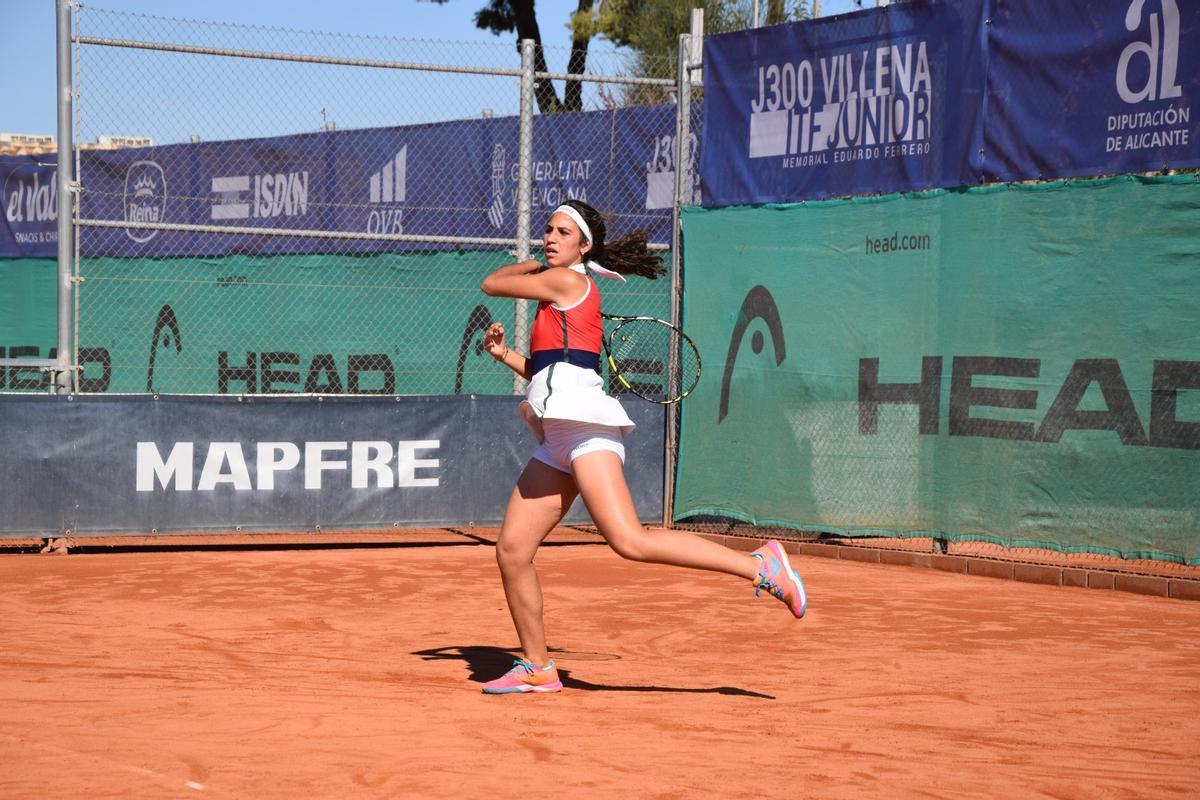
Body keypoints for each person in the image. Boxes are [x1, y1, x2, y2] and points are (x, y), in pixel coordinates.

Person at [478, 200, 806, 695]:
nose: (550, 238)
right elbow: (549, 373)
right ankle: (539, 666)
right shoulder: (560, 298)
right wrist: (505, 356)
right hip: (556, 438)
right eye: (547, 230)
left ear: (583, 246)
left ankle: (760, 566)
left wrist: (531, 260)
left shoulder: (567, 281)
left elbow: (493, 282)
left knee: (630, 542)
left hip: (586, 433)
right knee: (512, 550)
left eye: (562, 233)